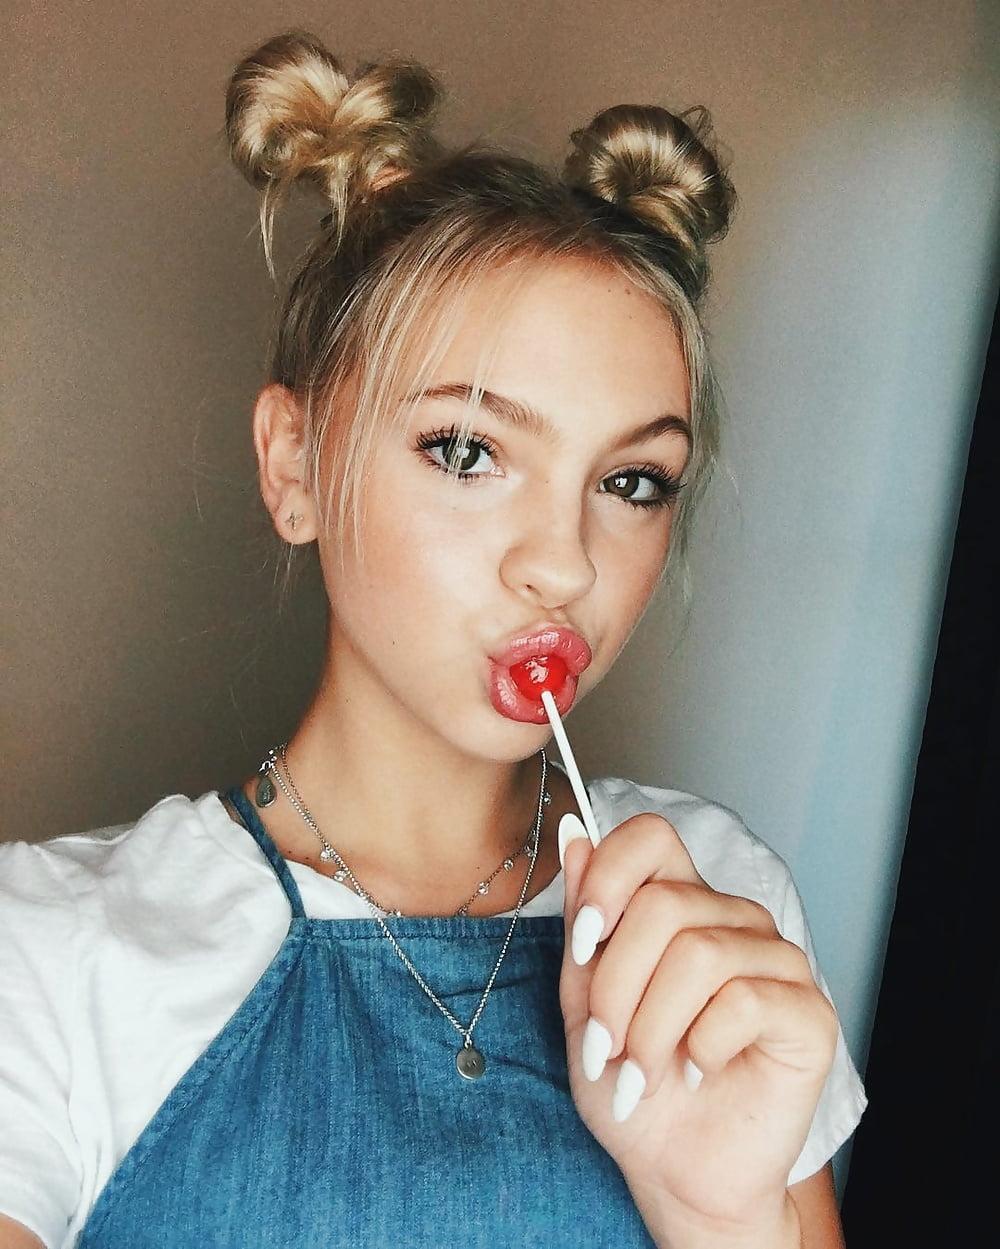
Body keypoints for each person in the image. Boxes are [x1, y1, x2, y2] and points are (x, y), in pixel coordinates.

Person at [0, 29, 867, 1249]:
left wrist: (719, 1212)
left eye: (631, 481)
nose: (564, 561)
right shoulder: (49, 955)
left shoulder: (718, 902)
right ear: (293, 465)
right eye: (467, 450)